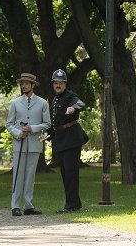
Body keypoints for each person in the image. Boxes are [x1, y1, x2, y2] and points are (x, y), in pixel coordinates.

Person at [6, 73, 51, 216]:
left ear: (33, 85)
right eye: (22, 83)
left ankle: (28, 206)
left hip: (34, 144)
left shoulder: (43, 103)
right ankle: (15, 206)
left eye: (26, 83)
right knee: (18, 175)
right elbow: (9, 124)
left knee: (30, 176)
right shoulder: (15, 103)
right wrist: (18, 133)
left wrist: (32, 128)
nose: (24, 86)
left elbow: (47, 124)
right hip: (19, 143)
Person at [46, 69, 89, 213]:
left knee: (71, 174)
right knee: (65, 173)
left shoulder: (70, 96)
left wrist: (73, 107)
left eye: (61, 83)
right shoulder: (56, 99)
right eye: (56, 83)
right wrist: (47, 134)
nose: (58, 85)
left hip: (71, 139)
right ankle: (74, 203)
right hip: (61, 140)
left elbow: (81, 104)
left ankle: (71, 205)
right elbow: (56, 123)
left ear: (65, 84)